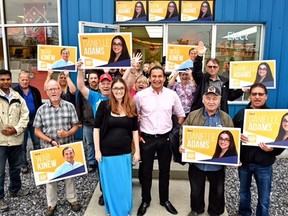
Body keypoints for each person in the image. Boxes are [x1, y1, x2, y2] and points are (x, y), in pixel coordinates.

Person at [134, 65, 185, 216]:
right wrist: (137, 135)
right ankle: (145, 201)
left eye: (160, 76)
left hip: (165, 138)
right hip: (147, 139)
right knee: (146, 172)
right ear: (149, 78)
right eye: (154, 76)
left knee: (165, 172)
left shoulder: (172, 95)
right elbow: (134, 117)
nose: (157, 79)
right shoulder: (140, 96)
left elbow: (181, 114)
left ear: (164, 78)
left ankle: (165, 200)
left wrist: (175, 131)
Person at [179, 85, 234, 216]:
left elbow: (232, 139)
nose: (211, 101)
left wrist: (232, 156)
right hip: (197, 163)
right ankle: (196, 209)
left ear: (219, 100)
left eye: (214, 99)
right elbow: (183, 133)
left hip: (217, 164)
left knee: (217, 190)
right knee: (196, 189)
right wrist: (182, 144)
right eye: (208, 98)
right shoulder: (193, 115)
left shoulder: (225, 118)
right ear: (203, 100)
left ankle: (215, 211)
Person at [232, 83, 284, 216]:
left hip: (264, 164)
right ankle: (244, 213)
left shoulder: (274, 116)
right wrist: (238, 138)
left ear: (266, 96)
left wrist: (272, 149)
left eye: (260, 94)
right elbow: (230, 136)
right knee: (243, 192)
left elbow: (282, 141)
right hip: (244, 163)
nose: (257, 97)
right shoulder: (240, 114)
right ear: (249, 96)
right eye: (254, 94)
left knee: (264, 197)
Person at [34, 79, 80, 216]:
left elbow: (76, 125)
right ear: (46, 92)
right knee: (50, 178)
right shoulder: (41, 109)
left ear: (61, 90)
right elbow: (37, 130)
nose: (53, 91)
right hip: (49, 148)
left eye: (56, 89)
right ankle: (51, 204)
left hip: (67, 146)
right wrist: (50, 140)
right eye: (50, 89)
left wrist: (67, 133)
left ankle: (72, 200)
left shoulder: (69, 106)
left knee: (70, 176)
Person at [94, 77, 140, 216]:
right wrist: (97, 150)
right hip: (107, 153)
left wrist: (137, 151)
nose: (118, 91)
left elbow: (135, 130)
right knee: (110, 185)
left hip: (124, 152)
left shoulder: (131, 106)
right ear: (111, 90)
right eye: (115, 88)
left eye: (121, 88)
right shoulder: (104, 106)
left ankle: (124, 211)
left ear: (125, 90)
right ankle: (113, 211)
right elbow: (96, 129)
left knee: (124, 185)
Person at [77, 61, 112, 206]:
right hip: (101, 138)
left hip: (116, 138)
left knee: (115, 168)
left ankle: (116, 192)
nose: (105, 85)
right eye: (102, 83)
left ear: (112, 85)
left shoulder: (117, 97)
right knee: (102, 169)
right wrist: (80, 70)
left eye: (108, 83)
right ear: (98, 85)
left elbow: (127, 83)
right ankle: (104, 193)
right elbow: (80, 86)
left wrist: (133, 69)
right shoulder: (94, 97)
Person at [0, 69, 30, 213]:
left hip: (16, 140)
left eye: (7, 79)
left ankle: (15, 189)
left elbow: (25, 115)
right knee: (0, 172)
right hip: (0, 141)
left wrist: (16, 129)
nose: (5, 82)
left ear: (11, 80)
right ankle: (0, 198)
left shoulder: (17, 96)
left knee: (15, 167)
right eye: (2, 79)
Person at [192, 41, 244, 113]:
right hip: (202, 114)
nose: (212, 68)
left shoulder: (224, 81)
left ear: (218, 68)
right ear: (206, 68)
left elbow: (231, 96)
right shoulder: (202, 79)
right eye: (210, 67)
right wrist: (200, 56)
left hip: (219, 114)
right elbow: (196, 71)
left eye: (214, 67)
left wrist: (242, 90)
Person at [13, 71, 42, 174]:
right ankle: (23, 165)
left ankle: (38, 163)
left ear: (29, 80)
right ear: (19, 80)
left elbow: (39, 105)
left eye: (26, 79)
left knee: (37, 143)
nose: (25, 81)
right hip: (22, 121)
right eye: (23, 79)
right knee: (22, 144)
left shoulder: (35, 91)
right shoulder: (14, 92)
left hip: (34, 119)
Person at [76, 70, 99, 173]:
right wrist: (79, 120)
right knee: (90, 143)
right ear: (88, 80)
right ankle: (91, 162)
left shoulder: (102, 91)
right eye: (91, 78)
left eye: (95, 78)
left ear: (98, 80)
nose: (93, 80)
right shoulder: (83, 92)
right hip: (87, 122)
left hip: (100, 124)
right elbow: (79, 106)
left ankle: (99, 161)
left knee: (100, 143)